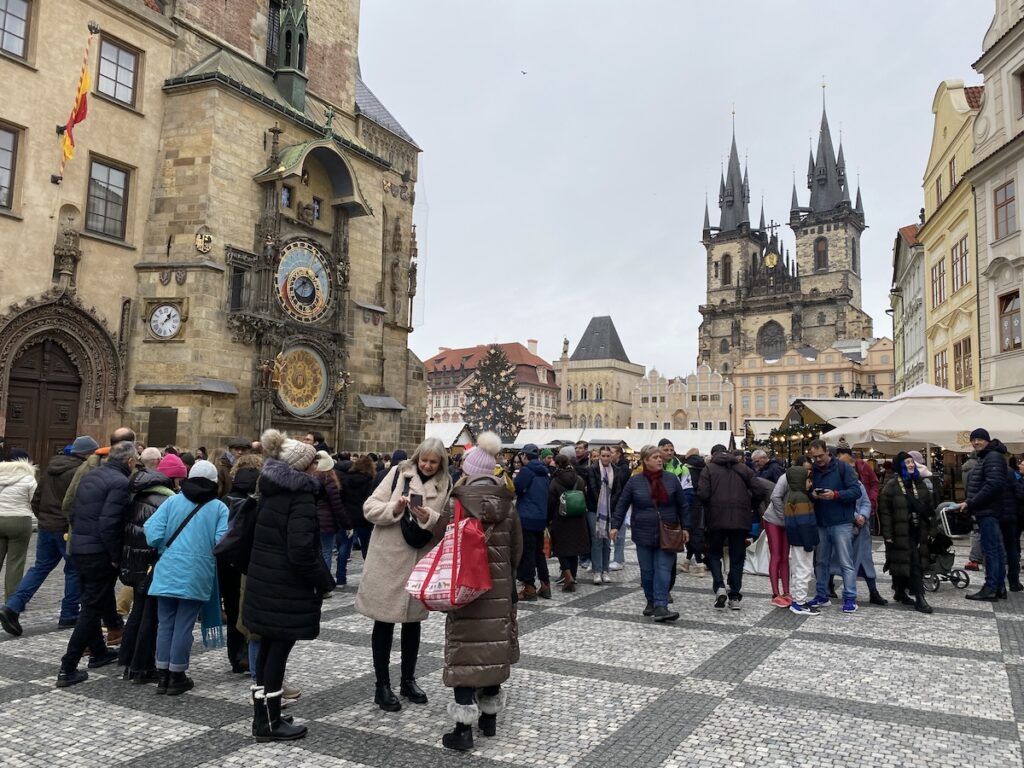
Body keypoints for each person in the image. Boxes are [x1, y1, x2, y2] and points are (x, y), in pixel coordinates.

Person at [243, 430, 335, 742]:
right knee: (277, 653)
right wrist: (324, 581)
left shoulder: (270, 489)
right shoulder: (300, 497)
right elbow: (301, 552)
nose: (315, 470)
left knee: (268, 650)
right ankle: (270, 723)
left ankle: (264, 717)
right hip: (284, 587)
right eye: (311, 465)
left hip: (265, 582)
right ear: (301, 469)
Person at [441, 432, 521, 751]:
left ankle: (462, 729)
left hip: (465, 590)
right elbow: (517, 553)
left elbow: (442, 546)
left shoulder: (455, 504)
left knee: (465, 651)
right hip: (499, 592)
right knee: (492, 648)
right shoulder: (509, 506)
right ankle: (489, 718)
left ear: (470, 471)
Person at [358, 438, 449, 711]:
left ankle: (408, 680)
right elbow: (369, 508)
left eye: (434, 462)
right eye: (424, 460)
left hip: (419, 559)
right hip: (388, 559)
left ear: (441, 463)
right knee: (384, 622)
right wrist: (395, 508)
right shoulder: (398, 473)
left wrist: (428, 515)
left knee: (413, 623)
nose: (428, 466)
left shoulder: (446, 483)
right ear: (417, 457)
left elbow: (444, 521)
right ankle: (382, 685)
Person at [56, 440, 138, 687]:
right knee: (91, 608)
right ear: (129, 461)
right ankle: (68, 667)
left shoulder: (91, 475)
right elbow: (109, 524)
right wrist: (115, 556)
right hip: (98, 552)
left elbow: (72, 510)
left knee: (95, 600)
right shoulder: (120, 482)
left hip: (79, 547)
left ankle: (99, 652)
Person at [144, 460, 229, 694]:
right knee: (184, 624)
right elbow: (222, 541)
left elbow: (152, 533)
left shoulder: (172, 501)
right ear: (214, 483)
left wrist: (166, 548)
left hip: (168, 569)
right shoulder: (219, 508)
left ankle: (162, 675)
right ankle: (177, 674)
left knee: (165, 624)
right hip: (197, 572)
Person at [1, 435, 98, 637]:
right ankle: (69, 613)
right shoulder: (81, 472)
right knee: (73, 569)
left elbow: (36, 500)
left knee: (40, 567)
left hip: (47, 526)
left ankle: (13, 606)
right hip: (66, 528)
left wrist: (43, 519)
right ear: (88, 454)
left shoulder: (50, 469)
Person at [117, 453, 181, 682]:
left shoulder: (136, 495)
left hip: (133, 562)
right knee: (150, 616)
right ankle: (142, 667)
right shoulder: (165, 501)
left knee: (137, 612)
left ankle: (128, 663)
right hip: (151, 565)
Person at [611, 444, 690, 622]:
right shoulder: (635, 481)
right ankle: (650, 600)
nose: (660, 460)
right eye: (655, 457)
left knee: (663, 569)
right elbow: (622, 504)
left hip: (668, 530)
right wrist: (615, 525)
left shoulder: (671, 479)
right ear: (646, 461)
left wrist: (686, 527)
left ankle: (661, 605)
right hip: (643, 531)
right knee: (647, 571)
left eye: (660, 457)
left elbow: (683, 505)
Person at [697, 444, 759, 610]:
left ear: (713, 454)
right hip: (740, 520)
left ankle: (720, 587)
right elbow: (759, 490)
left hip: (716, 520)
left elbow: (702, 494)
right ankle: (735, 596)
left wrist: (710, 505)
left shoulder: (708, 469)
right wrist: (748, 505)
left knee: (714, 554)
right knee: (737, 557)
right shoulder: (743, 468)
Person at [806, 439, 862, 613]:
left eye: (820, 456)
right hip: (822, 522)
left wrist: (836, 495)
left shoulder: (843, 468)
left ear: (828, 452)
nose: (818, 460)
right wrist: (813, 494)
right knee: (821, 561)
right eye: (814, 457)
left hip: (841, 522)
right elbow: (807, 491)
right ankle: (821, 595)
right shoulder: (813, 470)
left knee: (846, 561)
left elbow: (856, 491)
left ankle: (850, 597)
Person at [222, 452, 263, 674]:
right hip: (249, 562)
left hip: (227, 561)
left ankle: (236, 658)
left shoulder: (225, 499)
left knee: (231, 608)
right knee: (249, 609)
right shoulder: (256, 503)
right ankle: (250, 656)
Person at [879, 453, 934, 614]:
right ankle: (920, 597)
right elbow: (885, 512)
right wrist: (887, 534)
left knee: (903, 562)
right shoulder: (891, 486)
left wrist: (932, 528)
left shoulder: (920, 483)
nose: (911, 465)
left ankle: (900, 591)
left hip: (919, 530)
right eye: (907, 462)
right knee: (914, 562)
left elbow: (930, 507)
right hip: (900, 532)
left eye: (912, 462)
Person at [961, 428, 1010, 601]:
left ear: (987, 440)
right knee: (995, 550)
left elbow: (993, 485)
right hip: (988, 510)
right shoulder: (987, 457)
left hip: (989, 511)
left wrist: (971, 502)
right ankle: (999, 587)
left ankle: (990, 588)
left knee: (991, 551)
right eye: (973, 440)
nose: (975, 443)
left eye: (979, 439)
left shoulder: (992, 457)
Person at [835, 449, 888, 606]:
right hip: (845, 527)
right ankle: (831, 590)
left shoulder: (858, 484)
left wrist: (863, 515)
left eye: (852, 467)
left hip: (861, 528)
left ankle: (873, 591)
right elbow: (840, 503)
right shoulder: (838, 485)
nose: (852, 469)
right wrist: (855, 516)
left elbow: (865, 500)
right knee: (840, 561)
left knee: (865, 560)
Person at [775, 456, 820, 615]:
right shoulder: (801, 498)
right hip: (803, 541)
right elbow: (803, 523)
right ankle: (799, 603)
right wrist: (809, 542)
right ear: (800, 481)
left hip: (795, 540)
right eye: (808, 480)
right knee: (804, 570)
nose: (810, 483)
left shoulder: (792, 496)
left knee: (797, 569)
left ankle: (797, 599)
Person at [514, 444, 551, 600]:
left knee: (527, 553)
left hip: (527, 517)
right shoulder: (545, 471)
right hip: (541, 517)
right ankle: (545, 585)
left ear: (524, 457)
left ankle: (529, 588)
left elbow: (516, 487)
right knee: (539, 552)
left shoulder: (527, 471)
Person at [548, 451, 589, 592]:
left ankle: (567, 575)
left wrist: (548, 520)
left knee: (561, 549)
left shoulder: (555, 481)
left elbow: (551, 502)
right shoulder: (579, 479)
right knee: (574, 549)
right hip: (578, 518)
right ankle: (574, 575)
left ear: (558, 464)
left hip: (561, 518)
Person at [0, 454, 37, 604]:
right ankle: (12, 601)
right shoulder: (29, 479)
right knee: (15, 562)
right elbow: (34, 500)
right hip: (20, 520)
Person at [337, 454, 375, 584]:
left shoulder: (345, 480)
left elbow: (341, 499)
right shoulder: (370, 481)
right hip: (363, 518)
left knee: (345, 546)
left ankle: (340, 577)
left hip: (348, 517)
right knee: (366, 547)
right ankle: (370, 577)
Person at [313, 451, 346, 598]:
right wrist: (346, 522)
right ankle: (323, 585)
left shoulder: (310, 478)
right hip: (327, 523)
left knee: (316, 552)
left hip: (313, 520)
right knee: (326, 552)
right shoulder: (329, 480)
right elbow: (336, 505)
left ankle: (316, 583)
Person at [680, 448, 707, 575]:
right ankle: (687, 561)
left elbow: (683, 487)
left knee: (691, 532)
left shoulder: (685, 469)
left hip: (689, 503)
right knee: (696, 531)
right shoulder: (705, 468)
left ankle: (699, 564)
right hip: (702, 503)